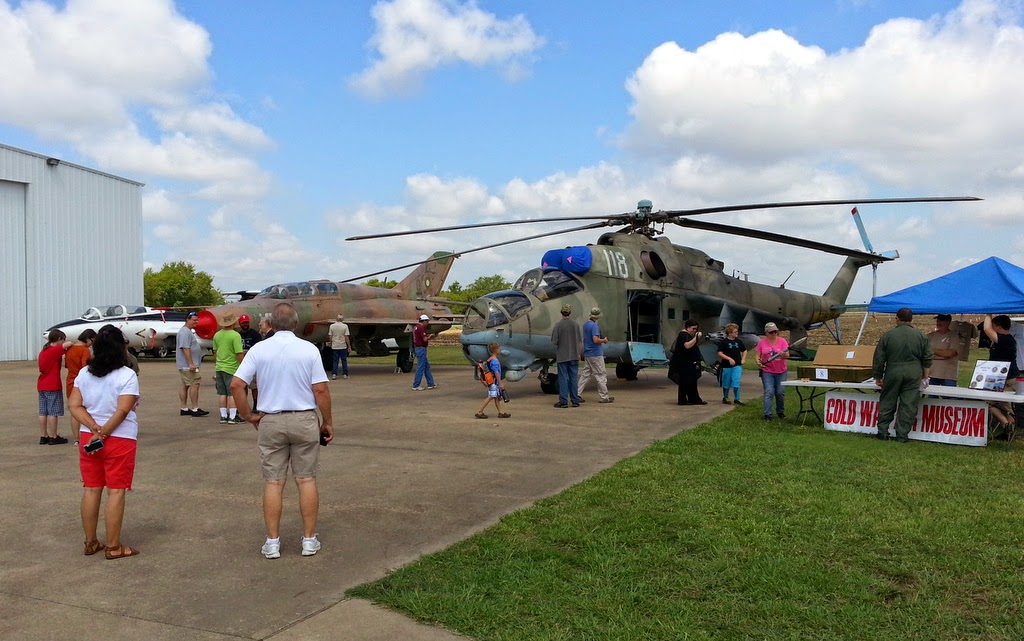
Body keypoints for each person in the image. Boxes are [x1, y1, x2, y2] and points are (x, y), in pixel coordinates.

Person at [230, 303, 334, 559]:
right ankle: (309, 540)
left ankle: (272, 542)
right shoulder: (308, 349)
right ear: (296, 324)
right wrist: (327, 421)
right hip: (304, 419)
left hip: (271, 420)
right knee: (306, 480)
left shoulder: (259, 349)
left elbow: (236, 385)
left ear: (272, 324)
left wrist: (248, 415)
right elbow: (320, 389)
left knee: (274, 482)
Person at [69, 324, 141, 560]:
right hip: (119, 438)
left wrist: (92, 427)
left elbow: (74, 405)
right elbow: (122, 410)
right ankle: (113, 546)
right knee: (116, 492)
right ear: (121, 348)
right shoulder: (127, 375)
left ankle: (90, 542)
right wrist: (103, 433)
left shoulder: (84, 374)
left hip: (87, 437)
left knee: (91, 488)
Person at [872, 308, 932, 442]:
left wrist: (878, 376)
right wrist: (925, 376)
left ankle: (882, 431)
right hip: (914, 372)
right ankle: (902, 435)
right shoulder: (921, 336)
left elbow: (879, 358)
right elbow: (927, 358)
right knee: (908, 404)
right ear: (911, 319)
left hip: (893, 371)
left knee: (888, 401)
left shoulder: (888, 335)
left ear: (897, 318)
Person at [39, 329, 74, 444]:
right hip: (53, 384)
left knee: (43, 412)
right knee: (53, 412)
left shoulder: (43, 351)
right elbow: (68, 344)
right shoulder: (55, 350)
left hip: (42, 384)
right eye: (63, 339)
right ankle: (53, 436)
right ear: (59, 339)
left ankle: (43, 435)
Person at [65, 329, 97, 443]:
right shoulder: (85, 350)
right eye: (92, 341)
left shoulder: (69, 349)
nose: (91, 344)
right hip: (82, 383)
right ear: (88, 339)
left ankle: (76, 439)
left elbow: (66, 365)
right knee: (86, 410)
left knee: (74, 411)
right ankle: (90, 433)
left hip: (70, 381)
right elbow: (86, 367)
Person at [212, 312, 245, 424]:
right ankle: (232, 416)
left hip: (219, 367)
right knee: (232, 394)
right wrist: (243, 365)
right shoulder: (235, 335)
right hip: (232, 367)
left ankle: (223, 416)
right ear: (233, 323)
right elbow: (239, 353)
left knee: (222, 393)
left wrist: (218, 362)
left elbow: (215, 352)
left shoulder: (217, 335)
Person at [176, 312, 209, 417]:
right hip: (188, 366)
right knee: (195, 384)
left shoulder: (187, 332)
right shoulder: (185, 332)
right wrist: (191, 363)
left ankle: (184, 408)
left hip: (185, 365)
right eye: (194, 320)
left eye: (196, 320)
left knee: (185, 385)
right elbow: (185, 348)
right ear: (187, 319)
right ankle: (195, 408)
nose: (196, 322)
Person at [577, 307, 613, 403]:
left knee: (585, 375)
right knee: (601, 374)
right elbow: (595, 340)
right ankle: (604, 397)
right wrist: (604, 340)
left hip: (588, 353)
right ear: (598, 316)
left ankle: (576, 394)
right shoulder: (594, 326)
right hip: (596, 354)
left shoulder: (585, 324)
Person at [754, 322, 789, 420]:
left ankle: (780, 412)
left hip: (781, 371)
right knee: (769, 391)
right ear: (766, 333)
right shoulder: (762, 342)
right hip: (767, 371)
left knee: (780, 392)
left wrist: (783, 354)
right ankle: (767, 414)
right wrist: (758, 362)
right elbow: (757, 355)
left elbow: (787, 355)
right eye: (771, 332)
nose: (773, 334)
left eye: (775, 331)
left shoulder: (782, 341)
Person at [551, 303, 582, 408]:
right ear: (570, 313)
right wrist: (578, 354)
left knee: (563, 378)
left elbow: (555, 341)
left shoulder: (558, 325)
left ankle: (563, 401)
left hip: (562, 356)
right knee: (573, 378)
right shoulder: (575, 325)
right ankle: (575, 400)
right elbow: (579, 341)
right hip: (574, 355)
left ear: (561, 312)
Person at [668, 319, 707, 405]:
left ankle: (693, 399)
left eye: (696, 329)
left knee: (691, 381)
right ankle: (684, 400)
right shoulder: (683, 335)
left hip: (689, 362)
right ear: (688, 327)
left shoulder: (688, 335)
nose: (694, 331)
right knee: (685, 382)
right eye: (693, 329)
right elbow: (687, 345)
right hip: (684, 363)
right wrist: (696, 337)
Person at [475, 342, 510, 419]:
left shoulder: (490, 359)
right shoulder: (495, 361)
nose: (500, 350)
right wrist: (500, 383)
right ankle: (480, 411)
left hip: (492, 382)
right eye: (499, 349)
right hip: (494, 382)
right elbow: (496, 372)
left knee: (496, 397)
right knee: (491, 396)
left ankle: (500, 412)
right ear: (496, 350)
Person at [716, 323, 746, 405]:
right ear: (729, 333)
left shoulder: (738, 341)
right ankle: (725, 397)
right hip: (726, 366)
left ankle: (737, 398)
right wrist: (728, 358)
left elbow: (744, 350)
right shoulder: (724, 342)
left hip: (737, 365)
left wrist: (743, 359)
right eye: (735, 332)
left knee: (736, 381)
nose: (737, 333)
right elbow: (720, 353)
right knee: (726, 382)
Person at [237, 314, 263, 411]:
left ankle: (256, 405)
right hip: (241, 363)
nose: (245, 325)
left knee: (254, 386)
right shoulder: (238, 335)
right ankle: (243, 404)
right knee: (242, 386)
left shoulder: (255, 335)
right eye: (243, 323)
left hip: (252, 363)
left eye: (246, 322)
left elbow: (259, 348)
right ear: (240, 324)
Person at [928, 314, 960, 386]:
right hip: (931, 374)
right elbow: (925, 354)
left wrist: (933, 351)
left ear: (948, 322)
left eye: (941, 320)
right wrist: (943, 355)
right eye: (938, 320)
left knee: (950, 393)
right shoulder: (930, 336)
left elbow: (950, 353)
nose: (938, 322)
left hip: (948, 375)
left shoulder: (954, 336)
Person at [411, 314, 437, 391]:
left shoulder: (416, 327)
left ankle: (430, 383)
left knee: (426, 366)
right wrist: (431, 336)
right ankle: (416, 385)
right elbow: (425, 339)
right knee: (421, 367)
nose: (428, 323)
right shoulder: (421, 327)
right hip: (421, 348)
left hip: (418, 348)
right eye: (427, 321)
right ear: (424, 321)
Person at [327, 314, 352, 380]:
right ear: (342, 319)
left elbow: (330, 336)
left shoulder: (332, 326)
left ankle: (334, 374)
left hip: (335, 346)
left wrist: (330, 343)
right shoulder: (345, 326)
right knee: (344, 360)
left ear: (336, 319)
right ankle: (345, 374)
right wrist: (349, 346)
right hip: (343, 346)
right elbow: (346, 337)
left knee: (335, 361)